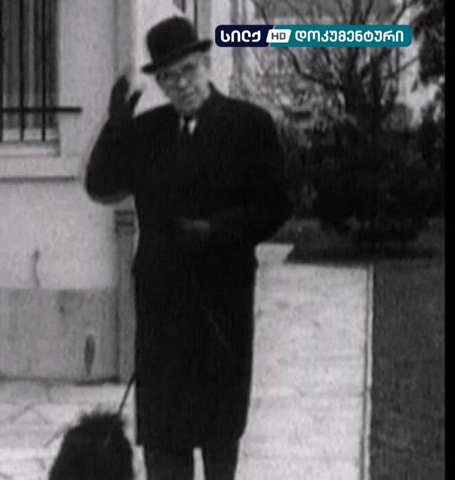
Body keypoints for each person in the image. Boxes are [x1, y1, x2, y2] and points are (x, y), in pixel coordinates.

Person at [84, 16, 293, 480]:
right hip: (162, 316)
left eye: (188, 71)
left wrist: (217, 231)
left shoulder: (249, 125)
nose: (181, 84)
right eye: (169, 77)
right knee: (163, 446)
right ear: (159, 83)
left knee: (219, 442)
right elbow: (100, 185)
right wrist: (115, 129)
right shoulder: (147, 133)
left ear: (206, 64)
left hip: (221, 311)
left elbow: (276, 205)